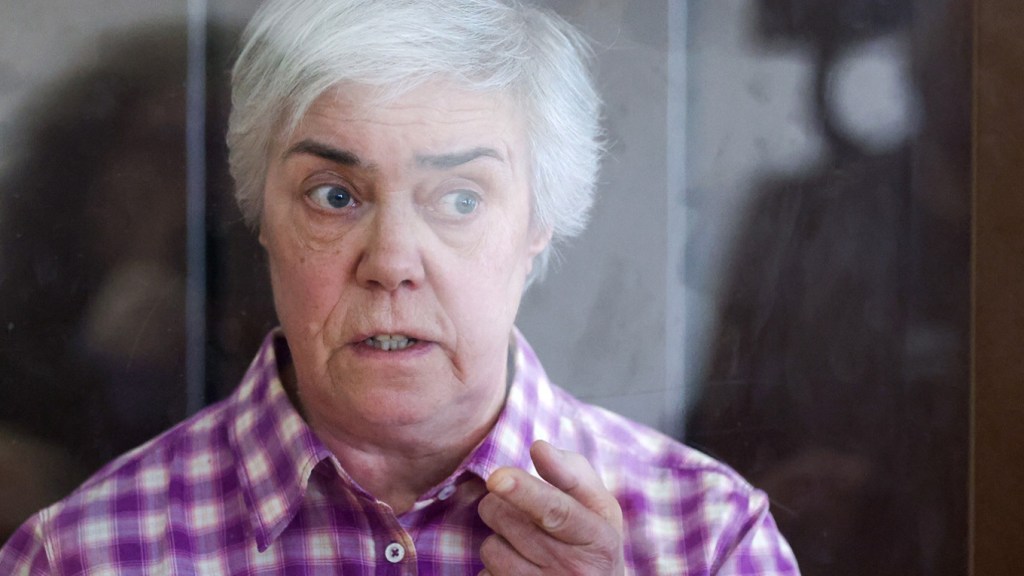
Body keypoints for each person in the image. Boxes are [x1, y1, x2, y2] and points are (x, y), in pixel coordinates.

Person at [0, 0, 800, 573]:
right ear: (260, 215)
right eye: (334, 196)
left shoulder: (710, 539)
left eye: (460, 200)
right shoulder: (81, 554)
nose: (391, 261)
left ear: (538, 225)